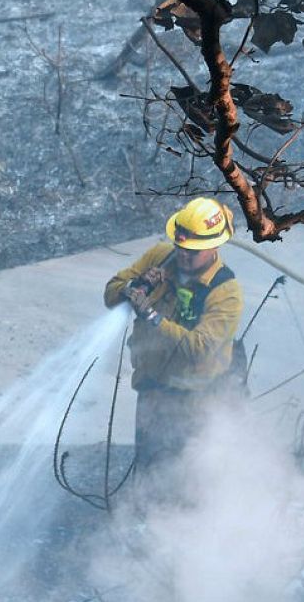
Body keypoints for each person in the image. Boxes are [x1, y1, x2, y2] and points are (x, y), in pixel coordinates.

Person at [103, 197, 245, 469]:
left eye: (192, 251)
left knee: (186, 476)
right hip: (152, 388)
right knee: (148, 469)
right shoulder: (159, 256)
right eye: (180, 247)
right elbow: (111, 294)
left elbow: (199, 349)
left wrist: (152, 316)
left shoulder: (226, 293)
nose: (183, 255)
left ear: (213, 246)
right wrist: (134, 286)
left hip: (197, 401)